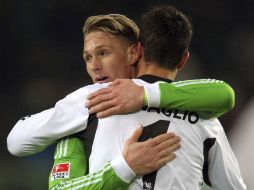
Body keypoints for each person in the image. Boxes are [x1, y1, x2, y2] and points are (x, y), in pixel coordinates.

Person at [7, 11, 239, 190]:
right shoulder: (205, 116)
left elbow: (16, 142)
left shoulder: (94, 100)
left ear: (135, 52)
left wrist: (123, 168)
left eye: (104, 53)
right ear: (183, 60)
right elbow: (225, 94)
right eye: (88, 57)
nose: (94, 66)